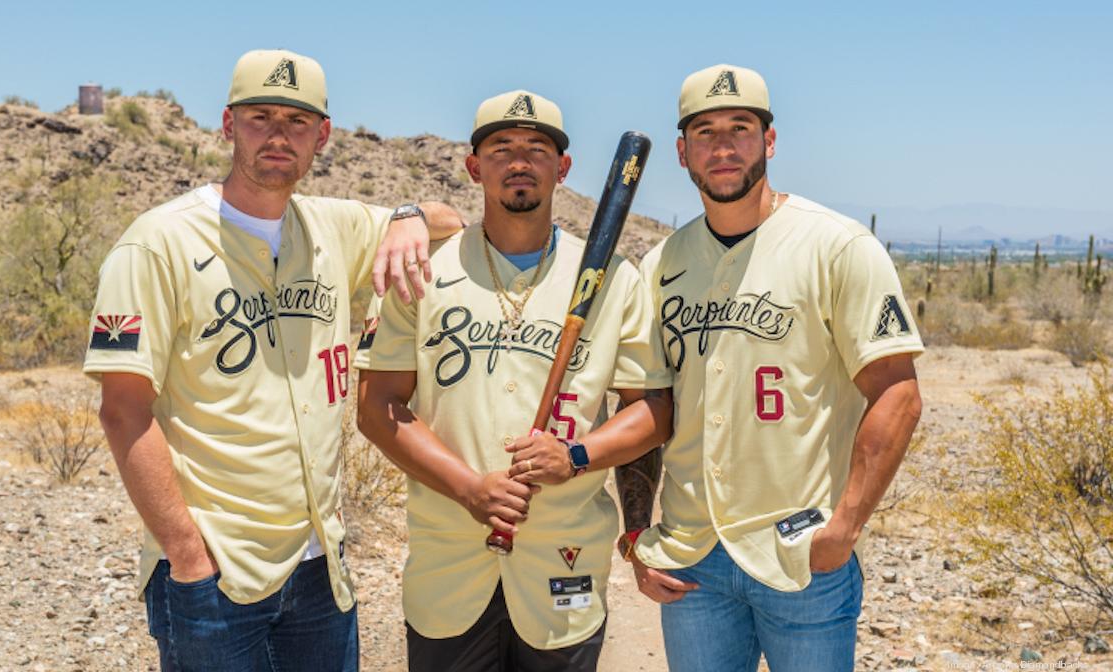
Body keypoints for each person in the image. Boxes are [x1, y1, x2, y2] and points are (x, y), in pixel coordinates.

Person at [84, 49, 462, 672]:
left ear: (324, 135)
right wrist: (186, 554)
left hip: (320, 567)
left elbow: (450, 220)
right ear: (229, 125)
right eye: (260, 117)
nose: (279, 135)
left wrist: (407, 217)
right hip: (214, 570)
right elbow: (123, 412)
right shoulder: (157, 242)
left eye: (298, 120)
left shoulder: (333, 226)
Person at [615, 64, 924, 672]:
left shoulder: (836, 246)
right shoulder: (660, 265)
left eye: (741, 128)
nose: (723, 147)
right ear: (682, 152)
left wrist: (845, 527)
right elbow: (643, 409)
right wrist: (635, 535)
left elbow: (897, 394)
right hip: (693, 555)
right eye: (704, 132)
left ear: (770, 141)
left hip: (802, 552)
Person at [354, 89, 673, 672]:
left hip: (564, 562)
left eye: (537, 148)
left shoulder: (614, 278)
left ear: (563, 168)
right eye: (501, 148)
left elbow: (653, 411)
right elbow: (378, 408)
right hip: (448, 568)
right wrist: (470, 489)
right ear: (475, 167)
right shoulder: (425, 268)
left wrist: (576, 455)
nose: (519, 161)